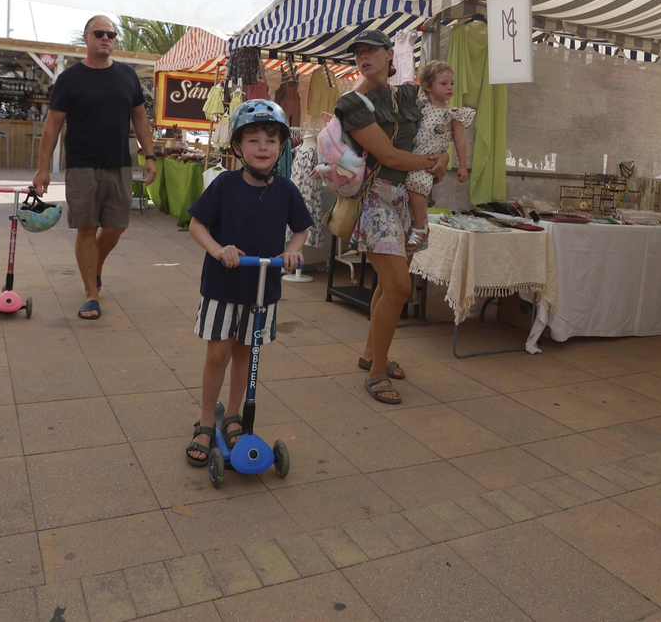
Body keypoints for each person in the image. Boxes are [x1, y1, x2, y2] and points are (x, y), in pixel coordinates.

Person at [183, 100, 311, 465]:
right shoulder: (225, 184)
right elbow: (197, 225)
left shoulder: (286, 190)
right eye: (253, 140)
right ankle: (207, 420)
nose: (262, 148)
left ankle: (234, 415)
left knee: (245, 354)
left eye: (270, 141)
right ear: (237, 147)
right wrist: (218, 249)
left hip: (263, 288)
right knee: (218, 353)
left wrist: (291, 251)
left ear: (281, 147)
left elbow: (300, 230)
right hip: (223, 286)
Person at [335, 30, 448, 404]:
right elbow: (391, 156)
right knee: (399, 287)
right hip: (375, 199)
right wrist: (432, 163)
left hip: (406, 199)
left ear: (389, 55)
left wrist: (443, 157)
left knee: (388, 286)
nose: (364, 56)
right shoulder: (353, 102)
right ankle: (377, 371)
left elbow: (428, 139)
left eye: (371, 50)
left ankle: (372, 355)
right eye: (358, 52)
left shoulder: (407, 96)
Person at [32, 15, 157, 320]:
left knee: (116, 226)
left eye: (111, 35)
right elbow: (52, 125)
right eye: (100, 33)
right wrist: (42, 168)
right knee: (87, 228)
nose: (106, 38)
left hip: (119, 164)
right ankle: (92, 293)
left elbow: (140, 119)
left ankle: (94, 268)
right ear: (86, 38)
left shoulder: (127, 76)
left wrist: (150, 156)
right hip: (82, 165)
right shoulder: (69, 79)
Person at [403, 62, 474, 252]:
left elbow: (459, 140)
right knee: (410, 189)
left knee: (416, 186)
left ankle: (420, 227)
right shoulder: (421, 107)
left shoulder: (453, 113)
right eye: (444, 83)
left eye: (452, 83)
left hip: (430, 160)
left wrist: (462, 166)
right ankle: (414, 224)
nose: (450, 87)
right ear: (427, 86)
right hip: (414, 156)